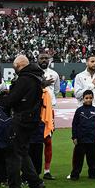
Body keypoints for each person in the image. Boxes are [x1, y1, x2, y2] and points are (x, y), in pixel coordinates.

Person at [0, 55, 47, 188]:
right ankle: (35, 183)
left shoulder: (24, 79)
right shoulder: (35, 77)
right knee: (21, 152)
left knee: (13, 154)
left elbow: (11, 100)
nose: (14, 68)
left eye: (15, 65)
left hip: (21, 119)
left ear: (19, 65)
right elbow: (20, 96)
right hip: (32, 118)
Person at [72, 54, 95, 177]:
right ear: (86, 62)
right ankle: (75, 170)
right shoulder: (79, 77)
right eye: (92, 61)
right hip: (82, 111)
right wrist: (91, 85)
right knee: (79, 142)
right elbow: (77, 94)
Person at [69, 90, 95, 180]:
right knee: (78, 159)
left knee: (92, 158)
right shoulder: (79, 111)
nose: (88, 100)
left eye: (90, 98)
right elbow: (74, 125)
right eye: (86, 98)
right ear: (83, 99)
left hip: (92, 139)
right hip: (81, 139)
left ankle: (93, 174)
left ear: (93, 98)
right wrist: (74, 137)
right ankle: (75, 174)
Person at [37, 51, 59, 180]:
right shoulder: (32, 73)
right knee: (34, 141)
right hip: (36, 110)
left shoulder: (54, 74)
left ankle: (47, 170)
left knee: (48, 141)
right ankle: (34, 170)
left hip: (49, 111)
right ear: (37, 59)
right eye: (41, 58)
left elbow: (55, 91)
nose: (44, 60)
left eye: (46, 58)